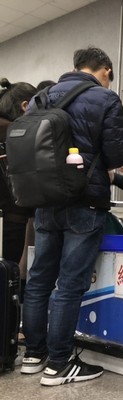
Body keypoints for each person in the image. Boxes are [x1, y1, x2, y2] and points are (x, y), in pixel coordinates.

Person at [21, 47, 123, 385]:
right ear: (106, 70)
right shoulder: (105, 99)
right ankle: (59, 363)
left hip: (44, 200)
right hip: (84, 200)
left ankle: (33, 356)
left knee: (39, 279)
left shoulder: (41, 97)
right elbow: (116, 156)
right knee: (69, 284)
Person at [0, 79, 36, 265]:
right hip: (11, 219)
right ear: (25, 105)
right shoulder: (13, 132)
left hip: (9, 218)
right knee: (7, 272)